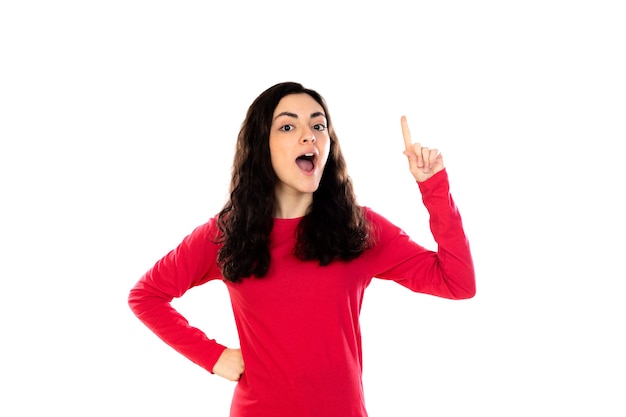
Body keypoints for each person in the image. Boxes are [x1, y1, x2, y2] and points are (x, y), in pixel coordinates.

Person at [128, 81, 476, 417]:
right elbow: (146, 295)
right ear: (261, 145)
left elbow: (457, 283)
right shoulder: (228, 233)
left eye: (318, 125)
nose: (308, 134)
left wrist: (433, 187)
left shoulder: (359, 228)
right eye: (287, 127)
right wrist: (213, 356)